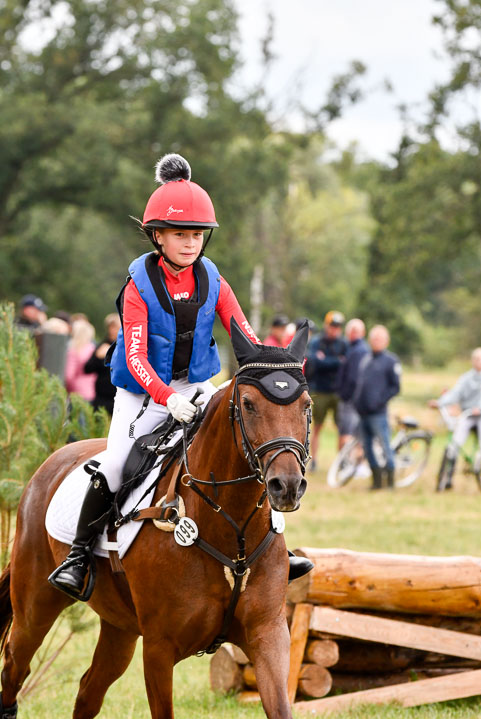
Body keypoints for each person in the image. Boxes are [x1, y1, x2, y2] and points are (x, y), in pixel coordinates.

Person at [49, 152, 312, 597]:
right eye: (179, 234)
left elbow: (243, 334)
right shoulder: (139, 287)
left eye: (196, 235)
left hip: (197, 385)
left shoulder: (214, 281)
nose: (190, 243)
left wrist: (273, 365)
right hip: (141, 393)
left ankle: (273, 548)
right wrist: (166, 398)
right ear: (157, 236)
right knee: (115, 464)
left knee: (246, 442)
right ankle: (78, 554)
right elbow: (134, 357)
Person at [428, 347, 481, 492]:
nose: (478, 362)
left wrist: (479, 407)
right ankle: (447, 480)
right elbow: (455, 393)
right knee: (454, 445)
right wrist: (440, 402)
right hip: (467, 415)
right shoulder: (466, 377)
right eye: (475, 359)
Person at [354, 325, 401, 490]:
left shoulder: (391, 361)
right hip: (363, 412)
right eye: (373, 339)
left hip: (378, 413)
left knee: (385, 446)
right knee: (367, 448)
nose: (376, 342)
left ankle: (390, 482)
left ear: (386, 341)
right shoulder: (366, 359)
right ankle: (376, 481)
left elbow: (395, 387)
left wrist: (379, 401)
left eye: (379, 339)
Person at [305, 311, 346, 471]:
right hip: (320, 390)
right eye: (332, 326)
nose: (334, 329)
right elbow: (315, 361)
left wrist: (326, 361)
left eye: (337, 326)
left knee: (341, 428)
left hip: (337, 391)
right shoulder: (316, 342)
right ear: (326, 325)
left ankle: (341, 462)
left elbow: (345, 363)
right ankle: (313, 461)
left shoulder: (343, 344)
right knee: (317, 427)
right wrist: (337, 361)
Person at [335, 318, 369, 447]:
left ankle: (346, 464)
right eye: (351, 330)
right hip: (351, 398)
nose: (352, 333)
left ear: (363, 332)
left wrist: (345, 395)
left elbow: (355, 378)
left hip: (350, 400)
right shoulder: (352, 348)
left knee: (348, 432)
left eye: (356, 331)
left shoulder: (359, 350)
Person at [84, 313, 121, 414]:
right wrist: (98, 357)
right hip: (102, 397)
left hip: (118, 395)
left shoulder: (124, 347)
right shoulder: (103, 345)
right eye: (111, 327)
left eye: (116, 327)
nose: (113, 331)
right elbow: (87, 368)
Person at [64, 318, 97, 403]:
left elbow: (69, 376)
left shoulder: (73, 350)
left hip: (75, 392)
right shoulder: (92, 348)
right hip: (90, 391)